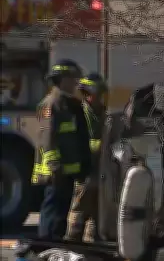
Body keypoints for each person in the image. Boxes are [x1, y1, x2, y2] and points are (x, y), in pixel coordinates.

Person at [32, 60, 91, 240]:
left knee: (61, 210)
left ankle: (55, 242)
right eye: (73, 78)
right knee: (53, 208)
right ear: (62, 79)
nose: (76, 82)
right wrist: (54, 164)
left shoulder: (71, 104)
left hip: (68, 170)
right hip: (56, 171)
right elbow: (47, 137)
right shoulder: (52, 103)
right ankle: (46, 243)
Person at [65, 73, 108, 242]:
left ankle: (92, 245)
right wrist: (103, 145)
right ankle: (72, 241)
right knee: (79, 208)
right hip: (86, 169)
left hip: (100, 169)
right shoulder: (81, 112)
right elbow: (83, 142)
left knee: (96, 210)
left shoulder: (101, 111)